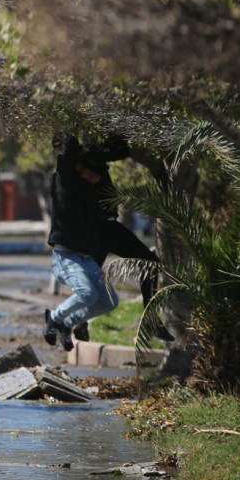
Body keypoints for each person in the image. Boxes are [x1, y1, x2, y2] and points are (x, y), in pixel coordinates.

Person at [80, 138, 174, 342]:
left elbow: (119, 151)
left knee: (88, 278)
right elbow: (121, 150)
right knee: (149, 263)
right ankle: (151, 321)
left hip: (97, 228)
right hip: (105, 227)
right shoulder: (86, 158)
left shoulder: (80, 162)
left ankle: (76, 323)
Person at [43, 132, 119, 351]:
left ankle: (68, 323)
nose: (94, 178)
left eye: (97, 176)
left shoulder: (94, 190)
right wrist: (71, 130)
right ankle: (54, 318)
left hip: (86, 257)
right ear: (79, 168)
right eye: (90, 174)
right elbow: (66, 160)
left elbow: (104, 183)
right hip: (65, 255)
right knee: (87, 294)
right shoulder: (65, 181)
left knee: (109, 301)